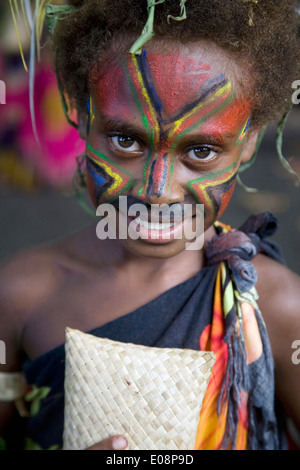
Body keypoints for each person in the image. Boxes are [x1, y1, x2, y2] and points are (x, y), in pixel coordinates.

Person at [0, 0, 300, 450]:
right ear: (79, 111)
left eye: (201, 151)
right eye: (126, 140)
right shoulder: (21, 295)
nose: (157, 191)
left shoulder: (275, 309)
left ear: (249, 139)